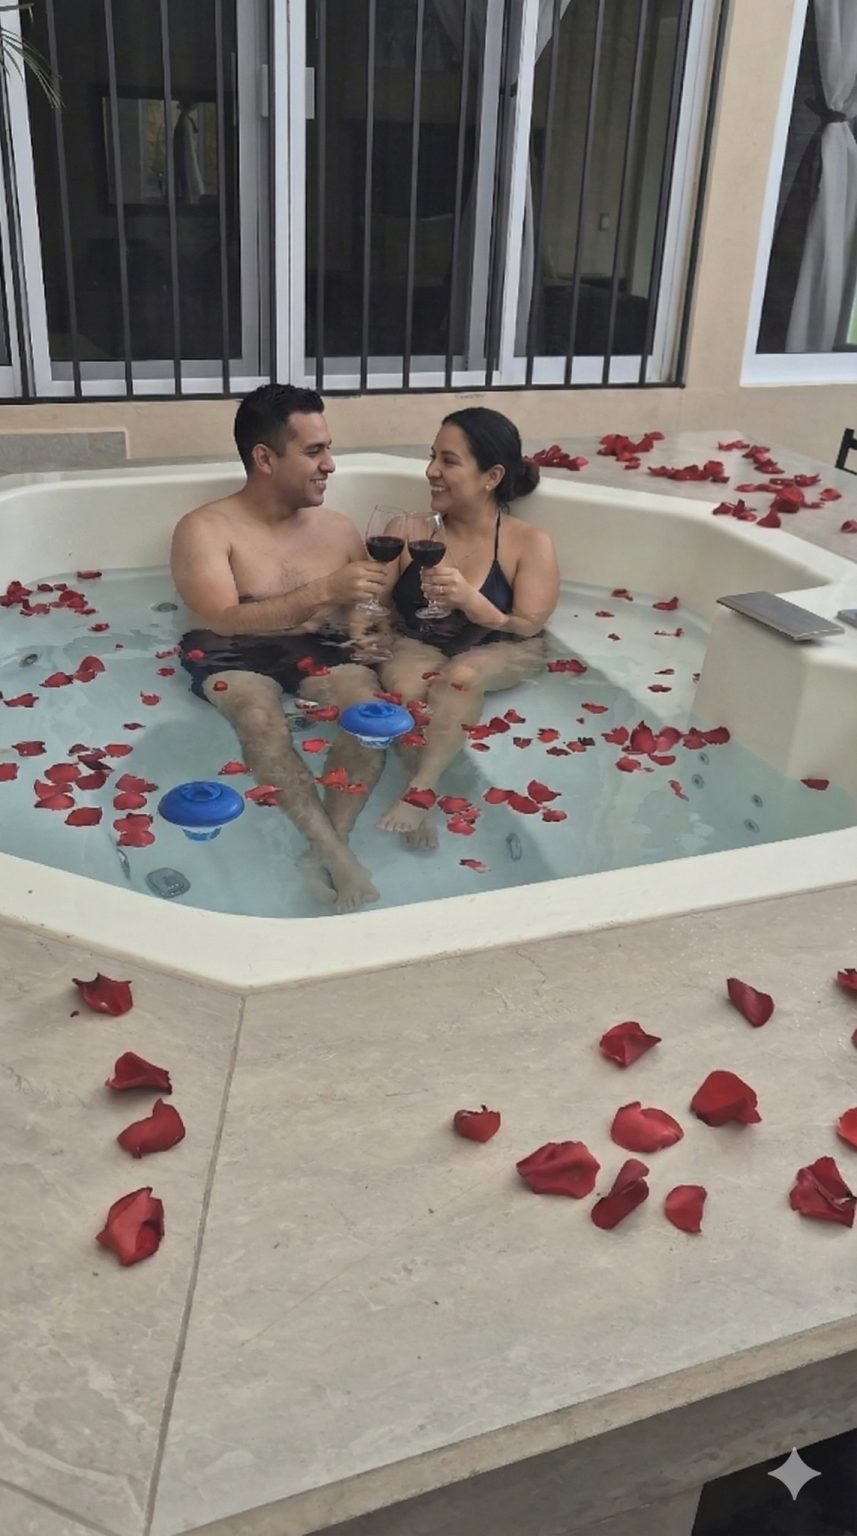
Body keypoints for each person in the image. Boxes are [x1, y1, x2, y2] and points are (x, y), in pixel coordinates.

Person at [170, 383, 388, 911]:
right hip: (231, 650)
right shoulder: (206, 529)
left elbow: (367, 610)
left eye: (327, 449)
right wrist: (322, 591)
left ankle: (328, 848)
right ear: (265, 458)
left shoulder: (338, 529)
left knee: (365, 706)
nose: (329, 465)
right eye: (314, 451)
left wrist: (364, 626)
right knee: (256, 714)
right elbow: (219, 618)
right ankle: (335, 855)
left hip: (318, 646)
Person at [376, 407, 560, 844]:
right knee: (408, 688)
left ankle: (421, 789)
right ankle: (419, 780)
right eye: (432, 457)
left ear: (491, 477)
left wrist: (476, 606)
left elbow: (528, 625)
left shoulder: (528, 542)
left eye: (448, 461)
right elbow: (375, 607)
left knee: (461, 676)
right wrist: (367, 625)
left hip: (503, 644)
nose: (431, 471)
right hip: (418, 640)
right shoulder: (407, 529)